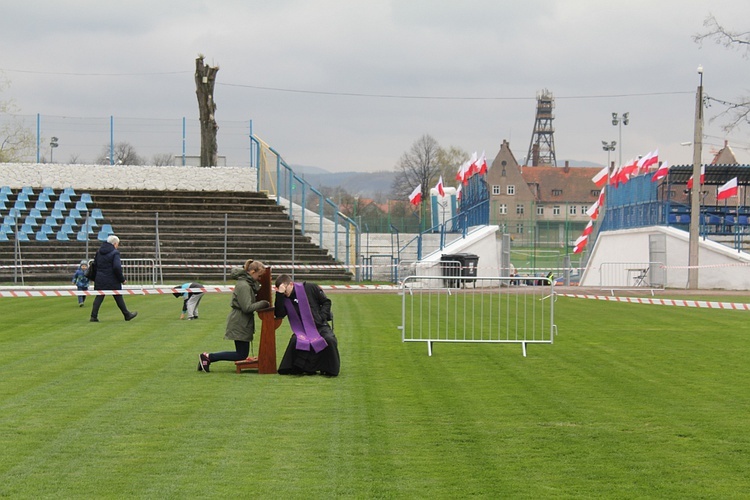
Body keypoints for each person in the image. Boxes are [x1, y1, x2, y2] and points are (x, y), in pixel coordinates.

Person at [198, 259, 270, 373]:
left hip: (241, 320)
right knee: (241, 354)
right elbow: (247, 307)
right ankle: (208, 357)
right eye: (259, 276)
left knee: (241, 353)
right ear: (252, 272)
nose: (260, 279)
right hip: (240, 321)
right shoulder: (244, 286)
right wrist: (264, 303)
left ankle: (207, 357)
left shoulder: (246, 283)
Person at [274, 274, 340, 376]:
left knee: (329, 340)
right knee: (296, 340)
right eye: (282, 291)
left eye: (285, 290)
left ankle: (329, 369)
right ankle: (297, 368)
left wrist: (321, 316)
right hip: (301, 329)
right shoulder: (284, 298)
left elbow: (326, 302)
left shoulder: (310, 287)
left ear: (291, 284)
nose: (285, 294)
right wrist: (279, 295)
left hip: (320, 326)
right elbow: (279, 314)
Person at [89, 235, 138, 322]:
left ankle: (93, 316)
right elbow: (117, 267)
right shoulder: (115, 253)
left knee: (99, 297)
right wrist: (122, 279)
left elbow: (95, 265)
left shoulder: (99, 252)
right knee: (118, 296)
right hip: (112, 279)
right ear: (115, 244)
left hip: (100, 278)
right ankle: (126, 314)